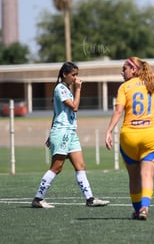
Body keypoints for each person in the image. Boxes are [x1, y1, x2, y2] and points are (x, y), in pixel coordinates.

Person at [32, 62, 110, 208]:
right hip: (62, 132)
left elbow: (57, 113)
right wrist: (79, 89)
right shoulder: (60, 88)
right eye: (73, 75)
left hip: (70, 132)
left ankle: (90, 199)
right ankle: (38, 199)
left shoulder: (66, 89)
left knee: (80, 165)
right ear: (64, 75)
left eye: (77, 75)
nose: (75, 78)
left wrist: (50, 134)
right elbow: (74, 107)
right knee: (57, 167)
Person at [105, 57, 154, 221]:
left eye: (124, 68)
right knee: (147, 176)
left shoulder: (124, 87)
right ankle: (145, 207)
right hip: (151, 135)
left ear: (134, 70)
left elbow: (118, 111)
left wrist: (109, 131)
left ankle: (138, 210)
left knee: (134, 177)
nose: (122, 72)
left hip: (129, 135)